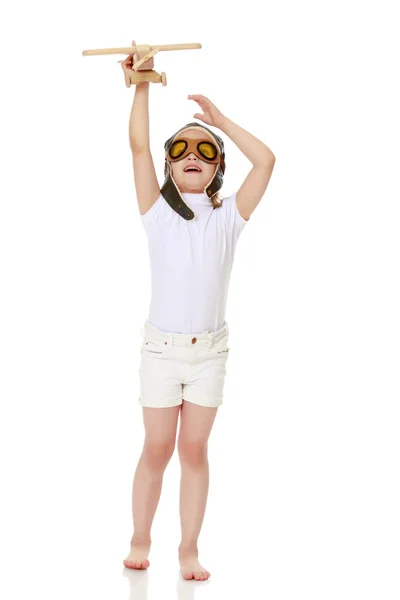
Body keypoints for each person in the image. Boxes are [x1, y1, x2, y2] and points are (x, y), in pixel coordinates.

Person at [121, 54, 276, 581]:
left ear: (216, 169)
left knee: (193, 449)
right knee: (158, 447)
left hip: (209, 353)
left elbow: (268, 161)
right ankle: (141, 536)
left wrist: (221, 123)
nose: (193, 154)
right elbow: (139, 146)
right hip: (161, 352)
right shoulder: (157, 214)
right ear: (169, 167)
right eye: (181, 150)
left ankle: (188, 548)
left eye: (204, 151)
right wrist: (140, 84)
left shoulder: (229, 217)